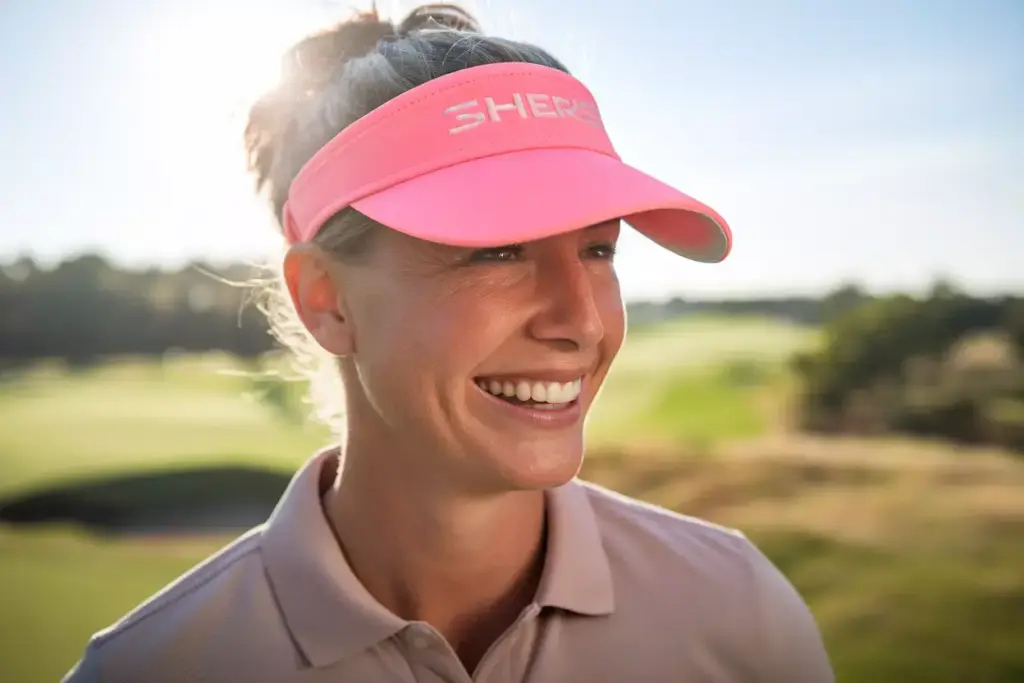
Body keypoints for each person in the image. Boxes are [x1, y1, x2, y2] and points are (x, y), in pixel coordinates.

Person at [63, 4, 834, 682]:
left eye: (599, 251)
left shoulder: (738, 610)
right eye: (498, 249)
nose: (582, 320)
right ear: (327, 300)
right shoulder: (150, 668)